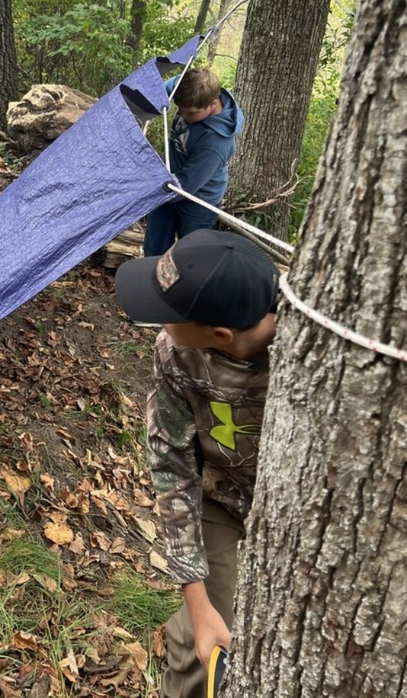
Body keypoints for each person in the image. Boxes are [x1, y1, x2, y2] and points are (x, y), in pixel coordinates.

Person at [114, 230, 280, 698]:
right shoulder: (177, 353)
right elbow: (170, 462)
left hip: (299, 516)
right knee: (197, 640)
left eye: (168, 317)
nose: (159, 325)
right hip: (221, 497)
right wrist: (197, 597)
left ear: (220, 335)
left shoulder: (318, 349)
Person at [144, 68, 244, 257]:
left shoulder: (215, 142)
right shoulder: (189, 88)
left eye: (190, 113)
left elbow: (187, 185)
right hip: (167, 184)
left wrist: (149, 191)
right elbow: (161, 89)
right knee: (154, 246)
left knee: (188, 257)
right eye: (179, 109)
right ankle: (151, 281)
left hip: (197, 202)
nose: (183, 116)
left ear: (212, 105)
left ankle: (180, 286)